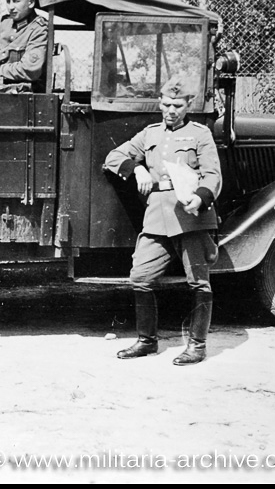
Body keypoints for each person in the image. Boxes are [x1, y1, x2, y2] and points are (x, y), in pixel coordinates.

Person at [104, 76, 222, 366]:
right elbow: (113, 156)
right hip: (157, 215)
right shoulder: (151, 133)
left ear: (188, 105)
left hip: (191, 214)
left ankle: (197, 345)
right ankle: (147, 341)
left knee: (199, 282)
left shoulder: (199, 134)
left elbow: (213, 173)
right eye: (167, 104)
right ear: (160, 102)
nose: (171, 110)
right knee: (141, 278)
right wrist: (137, 169)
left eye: (177, 106)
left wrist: (201, 197)